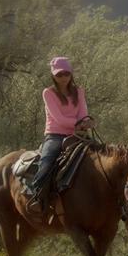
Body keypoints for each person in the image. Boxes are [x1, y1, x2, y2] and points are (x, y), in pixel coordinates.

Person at [24, 56, 93, 205]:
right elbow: (59, 119)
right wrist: (79, 124)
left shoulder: (79, 91)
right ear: (53, 75)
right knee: (47, 161)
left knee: (101, 154)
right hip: (55, 136)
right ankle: (37, 196)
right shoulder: (48, 93)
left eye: (66, 73)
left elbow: (82, 112)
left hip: (78, 135)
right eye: (59, 74)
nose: (63, 77)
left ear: (71, 74)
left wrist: (86, 122)